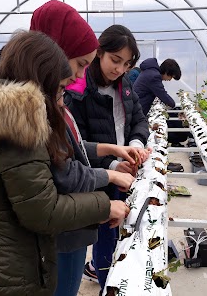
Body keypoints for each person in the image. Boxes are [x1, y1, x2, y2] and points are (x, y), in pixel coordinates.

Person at [0, 30, 129, 296]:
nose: (62, 98)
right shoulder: (16, 123)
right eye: (60, 89)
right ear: (42, 80)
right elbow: (43, 210)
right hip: (4, 274)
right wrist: (106, 205)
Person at [30, 1, 142, 296]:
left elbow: (73, 148)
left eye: (127, 64)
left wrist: (116, 149)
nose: (80, 75)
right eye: (80, 63)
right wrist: (110, 179)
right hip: (63, 228)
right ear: (53, 52)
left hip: (74, 221)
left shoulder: (54, 98)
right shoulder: (34, 110)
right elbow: (62, 175)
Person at [64, 24, 150, 293]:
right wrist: (114, 164)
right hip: (98, 176)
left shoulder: (124, 86)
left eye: (126, 63)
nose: (119, 69)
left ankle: (115, 276)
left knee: (120, 228)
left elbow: (138, 119)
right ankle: (106, 282)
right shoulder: (78, 92)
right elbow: (78, 147)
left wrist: (135, 145)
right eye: (115, 60)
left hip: (124, 169)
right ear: (99, 53)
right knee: (104, 232)